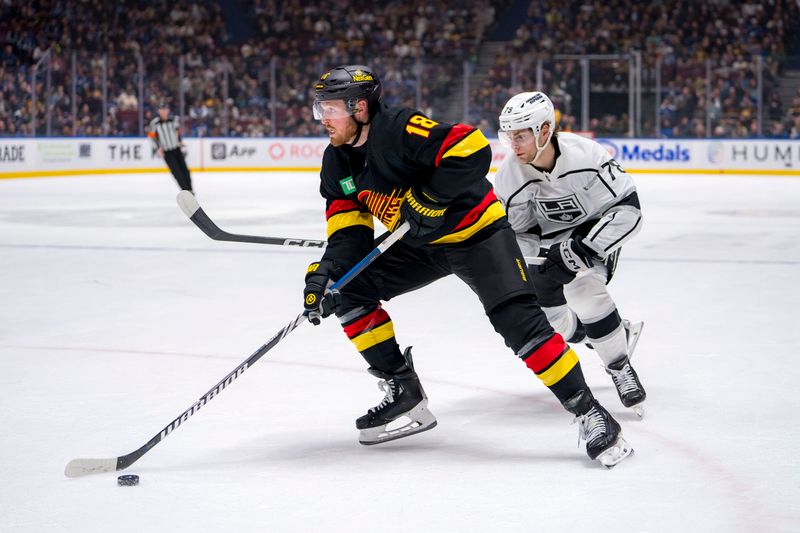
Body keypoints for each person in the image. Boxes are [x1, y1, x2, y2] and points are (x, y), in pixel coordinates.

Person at [302, 65, 632, 467]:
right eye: (320, 110)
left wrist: (431, 198)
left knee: (518, 322)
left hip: (478, 234)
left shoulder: (400, 128)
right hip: (421, 244)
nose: (322, 120)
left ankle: (591, 412)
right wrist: (329, 272)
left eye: (330, 109)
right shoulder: (337, 163)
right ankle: (403, 390)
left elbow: (470, 147)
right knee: (349, 290)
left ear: (360, 108)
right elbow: (348, 233)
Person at [493, 91, 647, 416]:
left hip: (592, 237)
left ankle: (619, 367)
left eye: (520, 135)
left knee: (585, 288)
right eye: (510, 136)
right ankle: (607, 332)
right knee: (547, 321)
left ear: (544, 131)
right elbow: (520, 232)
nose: (514, 144)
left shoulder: (586, 154)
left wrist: (583, 249)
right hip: (549, 247)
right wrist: (524, 269)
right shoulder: (510, 174)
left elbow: (628, 210)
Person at [148, 102, 193, 192]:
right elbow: (151, 136)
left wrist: (180, 141)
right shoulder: (154, 123)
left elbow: (177, 131)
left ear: (168, 110)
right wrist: (157, 148)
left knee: (185, 170)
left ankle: (190, 190)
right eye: (162, 110)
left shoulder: (174, 120)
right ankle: (185, 191)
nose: (164, 112)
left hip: (176, 148)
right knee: (176, 172)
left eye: (165, 109)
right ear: (159, 111)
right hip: (166, 151)